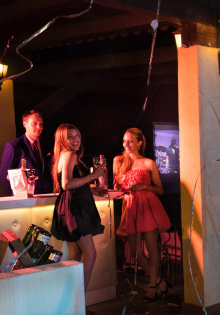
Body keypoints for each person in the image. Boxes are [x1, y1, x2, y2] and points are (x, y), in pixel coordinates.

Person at [113, 128, 171, 302]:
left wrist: (145, 186)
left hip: (147, 206)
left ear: (139, 143)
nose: (126, 144)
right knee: (136, 252)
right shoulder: (118, 161)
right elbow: (117, 187)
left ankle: (152, 287)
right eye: (124, 141)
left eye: (130, 141)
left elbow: (160, 190)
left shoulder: (148, 163)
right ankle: (160, 282)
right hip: (130, 207)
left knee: (152, 249)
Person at [50, 124, 107, 290]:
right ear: (62, 139)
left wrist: (93, 189)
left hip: (70, 206)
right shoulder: (69, 154)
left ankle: (70, 299)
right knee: (90, 254)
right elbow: (67, 184)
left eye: (77, 135)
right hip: (76, 208)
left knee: (75, 254)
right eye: (70, 136)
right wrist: (93, 176)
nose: (75, 139)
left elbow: (72, 185)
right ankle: (78, 299)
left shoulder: (64, 155)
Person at [1, 110, 53, 195]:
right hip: (25, 197)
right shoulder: (14, 146)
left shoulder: (47, 145)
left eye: (41, 124)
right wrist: (16, 196)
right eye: (34, 124)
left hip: (47, 195)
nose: (39, 127)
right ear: (25, 124)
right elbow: (4, 175)